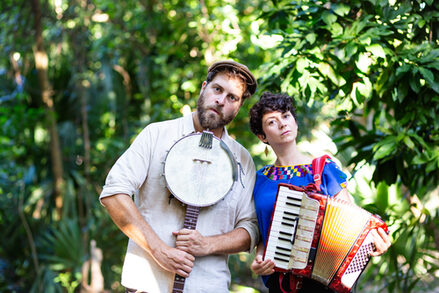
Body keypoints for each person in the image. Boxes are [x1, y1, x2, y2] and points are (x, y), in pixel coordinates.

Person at [99, 60, 259, 293]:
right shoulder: (157, 135)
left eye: (232, 97)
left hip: (208, 287)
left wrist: (207, 244)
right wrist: (159, 251)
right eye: (217, 89)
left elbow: (251, 228)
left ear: (239, 105)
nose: (221, 100)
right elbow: (114, 193)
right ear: (204, 87)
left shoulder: (242, 160)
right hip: (147, 285)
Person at [248, 92, 392, 292]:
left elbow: (354, 228)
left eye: (286, 116)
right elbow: (264, 232)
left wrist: (375, 242)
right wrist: (259, 258)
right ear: (262, 136)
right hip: (281, 284)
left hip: (323, 284)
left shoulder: (324, 169)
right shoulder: (261, 179)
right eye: (272, 122)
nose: (282, 124)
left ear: (295, 123)